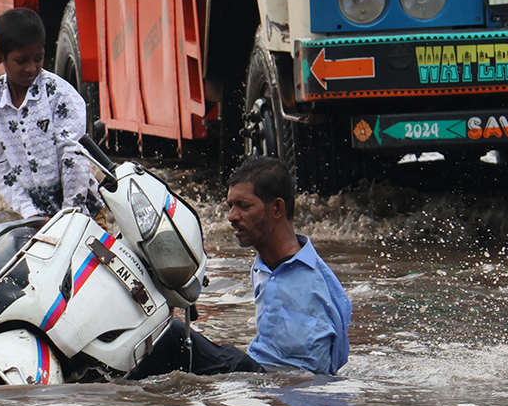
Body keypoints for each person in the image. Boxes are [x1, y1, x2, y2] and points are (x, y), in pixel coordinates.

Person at [132, 157, 352, 378]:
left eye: (244, 206)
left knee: (172, 336)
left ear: (276, 208)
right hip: (260, 370)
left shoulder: (308, 286)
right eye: (230, 206)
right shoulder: (268, 264)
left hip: (271, 379)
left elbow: (310, 376)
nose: (232, 217)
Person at [0, 7, 102, 220]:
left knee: (96, 254)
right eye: (22, 60)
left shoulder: (59, 95)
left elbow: (74, 154)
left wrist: (71, 213)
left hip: (83, 213)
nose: (31, 68)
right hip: (39, 218)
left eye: (38, 58)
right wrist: (29, 212)